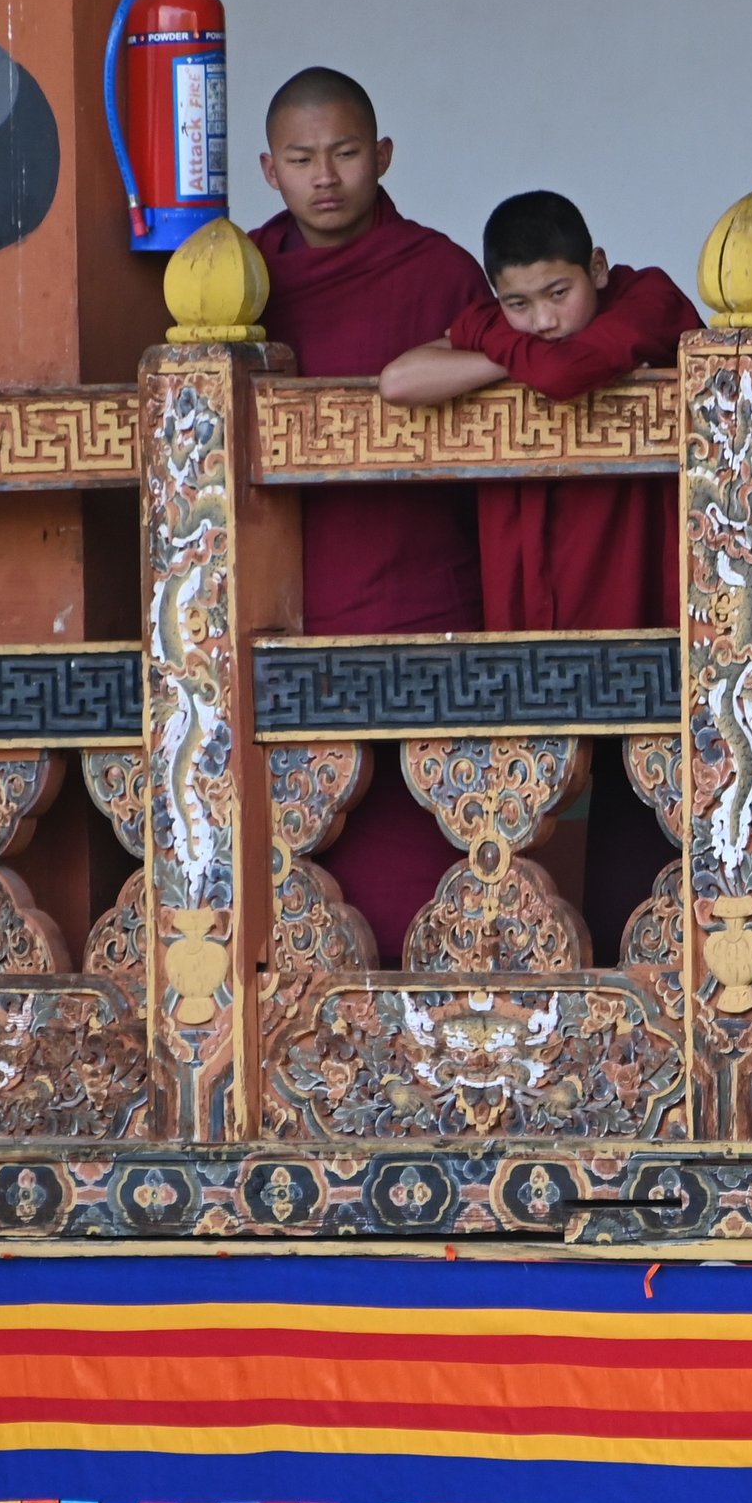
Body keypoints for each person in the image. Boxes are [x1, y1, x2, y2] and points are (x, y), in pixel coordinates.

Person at [379, 189, 701, 961]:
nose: (545, 319)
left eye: (560, 293)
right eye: (518, 302)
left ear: (597, 266)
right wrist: (505, 351)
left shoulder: (648, 297)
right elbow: (397, 381)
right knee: (514, 842)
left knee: (645, 829)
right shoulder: (507, 330)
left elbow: (571, 371)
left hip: (642, 621)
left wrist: (497, 350)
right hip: (530, 621)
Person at [252, 67, 494, 956]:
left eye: (346, 153)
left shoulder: (438, 272)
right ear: (270, 169)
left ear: (382, 156)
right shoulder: (239, 282)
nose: (326, 176)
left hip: (421, 599)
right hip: (282, 611)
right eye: (303, 158)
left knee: (427, 857)